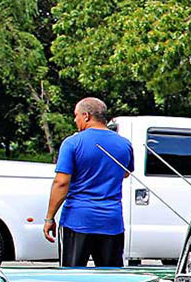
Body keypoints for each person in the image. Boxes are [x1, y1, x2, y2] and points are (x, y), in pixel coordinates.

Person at [44, 97, 134, 267]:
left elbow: (62, 183)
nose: (74, 120)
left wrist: (49, 218)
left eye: (76, 115)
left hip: (77, 220)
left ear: (86, 116)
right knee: (111, 280)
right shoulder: (124, 144)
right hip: (111, 221)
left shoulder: (73, 143)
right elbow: (126, 173)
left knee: (73, 278)